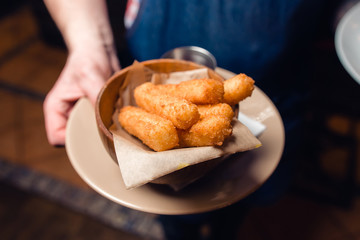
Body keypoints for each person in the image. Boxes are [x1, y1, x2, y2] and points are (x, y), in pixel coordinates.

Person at [43, 0, 330, 239]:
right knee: (173, 212)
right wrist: (89, 42)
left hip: (278, 85)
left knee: (239, 202)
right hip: (156, 41)